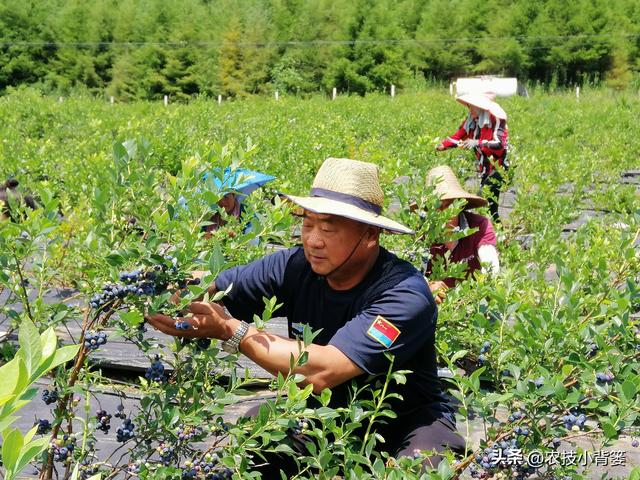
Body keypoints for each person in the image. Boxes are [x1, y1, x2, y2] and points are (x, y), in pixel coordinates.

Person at [148, 157, 464, 476]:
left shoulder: (404, 293)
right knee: (256, 436)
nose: (313, 240)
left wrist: (230, 330)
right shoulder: (296, 266)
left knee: (422, 469)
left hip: (407, 422)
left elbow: (322, 371)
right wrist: (164, 289)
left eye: (328, 227)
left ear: (370, 235)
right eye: (308, 223)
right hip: (326, 415)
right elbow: (213, 283)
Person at [424, 166, 500, 303]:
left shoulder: (479, 226)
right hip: (433, 302)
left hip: (474, 301)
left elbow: (491, 270)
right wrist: (427, 286)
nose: (442, 212)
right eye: (436, 206)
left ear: (459, 204)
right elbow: (412, 274)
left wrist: (471, 299)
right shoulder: (422, 234)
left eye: (447, 205)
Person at [436, 93, 509, 221]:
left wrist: (476, 142)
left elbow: (500, 144)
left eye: (473, 107)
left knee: (485, 200)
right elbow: (458, 136)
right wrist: (443, 145)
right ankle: (496, 232)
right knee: (490, 206)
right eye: (469, 107)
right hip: (485, 169)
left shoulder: (496, 121)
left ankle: (495, 233)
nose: (470, 110)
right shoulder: (471, 121)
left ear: (482, 108)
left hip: (499, 168)